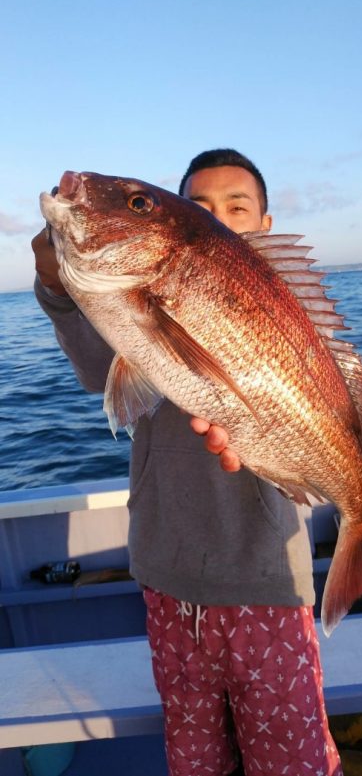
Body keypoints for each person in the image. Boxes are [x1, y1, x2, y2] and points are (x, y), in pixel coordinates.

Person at [32, 149, 342, 776]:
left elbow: (318, 394)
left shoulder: (277, 309)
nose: (222, 217)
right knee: (195, 758)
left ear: (264, 222)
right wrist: (57, 287)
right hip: (168, 577)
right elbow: (102, 373)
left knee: (293, 761)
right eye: (197, 207)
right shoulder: (135, 292)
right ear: (179, 229)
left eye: (238, 208)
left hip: (268, 582)